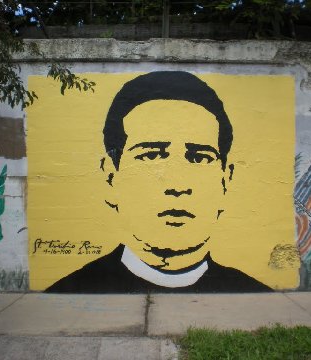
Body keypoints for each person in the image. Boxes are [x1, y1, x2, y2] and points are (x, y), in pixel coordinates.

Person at [46, 71, 272, 293]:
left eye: (199, 157)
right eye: (151, 155)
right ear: (111, 177)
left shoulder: (253, 294)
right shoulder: (74, 288)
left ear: (226, 181)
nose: (177, 185)